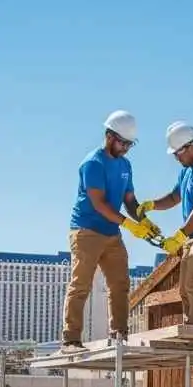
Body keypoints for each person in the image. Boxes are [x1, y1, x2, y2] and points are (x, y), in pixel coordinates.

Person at [62, 111, 158, 350]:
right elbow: (99, 203)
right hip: (86, 231)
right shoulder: (92, 163)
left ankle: (119, 335)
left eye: (129, 144)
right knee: (81, 284)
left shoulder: (125, 165)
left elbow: (130, 199)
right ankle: (71, 339)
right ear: (108, 135)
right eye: (122, 142)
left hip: (112, 232)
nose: (125, 148)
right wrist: (127, 224)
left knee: (120, 283)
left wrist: (143, 220)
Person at [137, 122, 193, 325]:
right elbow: (173, 197)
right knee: (184, 289)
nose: (176, 157)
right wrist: (151, 205)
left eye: (177, 153)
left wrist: (179, 236)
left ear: (191, 147)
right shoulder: (187, 172)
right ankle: (192, 330)